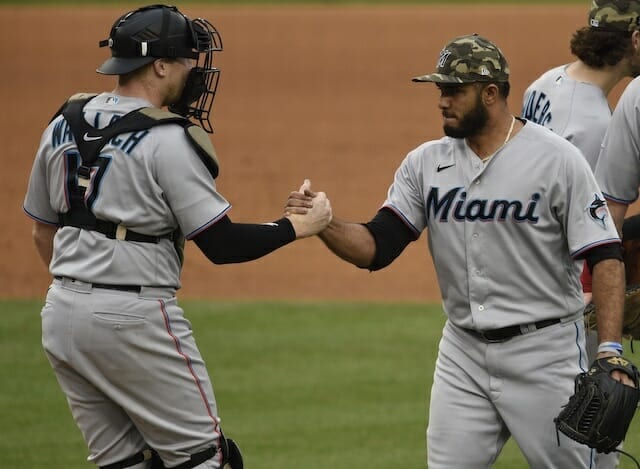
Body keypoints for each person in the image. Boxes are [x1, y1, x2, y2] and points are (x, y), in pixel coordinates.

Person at [287, 34, 632, 468]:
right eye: (440, 90)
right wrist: (326, 224)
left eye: (454, 91)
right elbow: (377, 247)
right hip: (463, 354)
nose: (442, 101)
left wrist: (609, 348)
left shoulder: (557, 160)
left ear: (490, 93)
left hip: (545, 353)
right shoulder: (425, 164)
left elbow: (605, 254)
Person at [23, 4, 331, 469]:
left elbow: (42, 230)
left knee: (124, 462)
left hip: (61, 316)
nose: (194, 70)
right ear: (160, 65)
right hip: (134, 319)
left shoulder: (62, 122)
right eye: (188, 59)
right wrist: (297, 226)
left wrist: (84, 291)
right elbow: (221, 244)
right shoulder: (168, 139)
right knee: (207, 459)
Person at [522, 3, 640, 465]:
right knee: (591, 430)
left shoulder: (546, 83)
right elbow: (595, 224)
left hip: (525, 264)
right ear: (632, 40)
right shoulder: (594, 125)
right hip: (570, 290)